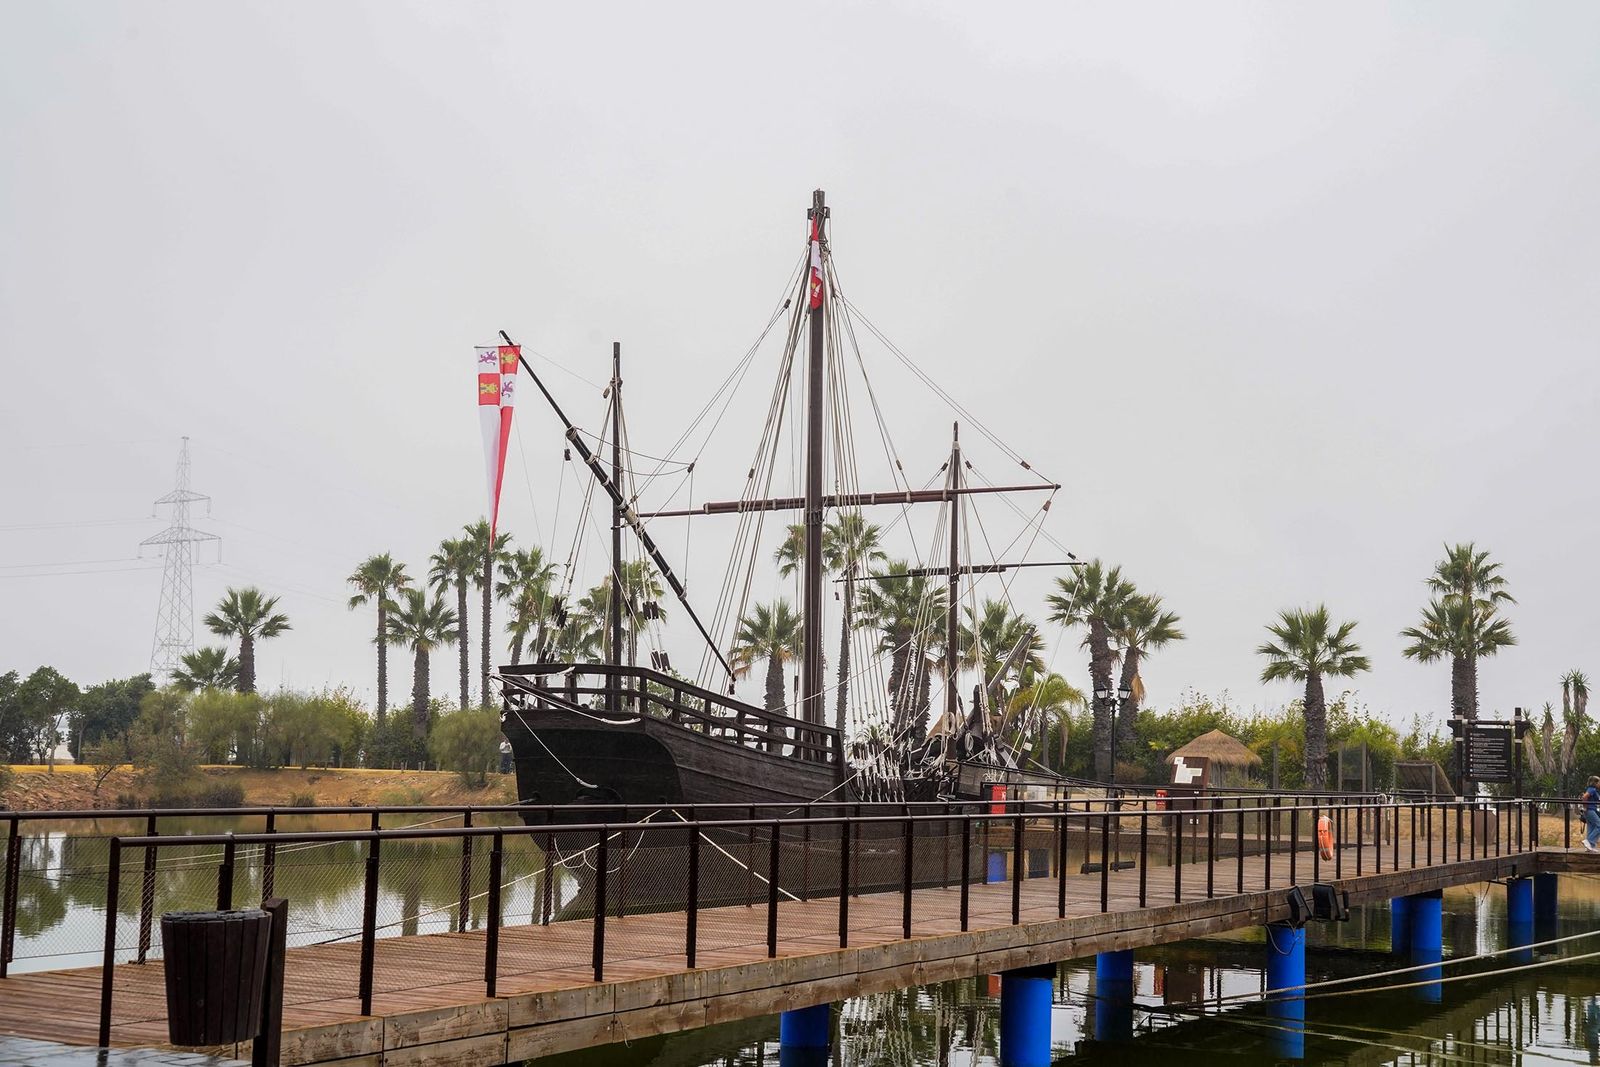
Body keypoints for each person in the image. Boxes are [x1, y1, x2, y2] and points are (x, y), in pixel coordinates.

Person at [1583, 776, 1600, 851]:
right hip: (1590, 810)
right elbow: (1584, 797)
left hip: (1591, 810)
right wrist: (1585, 808)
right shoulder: (1592, 789)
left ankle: (1590, 847)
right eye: (1599, 782)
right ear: (1595, 783)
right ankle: (1589, 841)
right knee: (1599, 826)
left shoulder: (1592, 789)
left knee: (1591, 827)